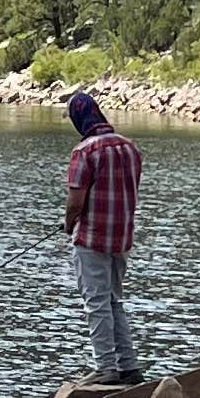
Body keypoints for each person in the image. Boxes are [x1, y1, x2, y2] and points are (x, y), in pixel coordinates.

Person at [59, 89, 144, 381]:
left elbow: (75, 201)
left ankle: (106, 367)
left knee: (96, 304)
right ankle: (128, 366)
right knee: (113, 301)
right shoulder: (129, 147)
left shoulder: (84, 152)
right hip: (122, 238)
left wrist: (68, 225)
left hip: (92, 238)